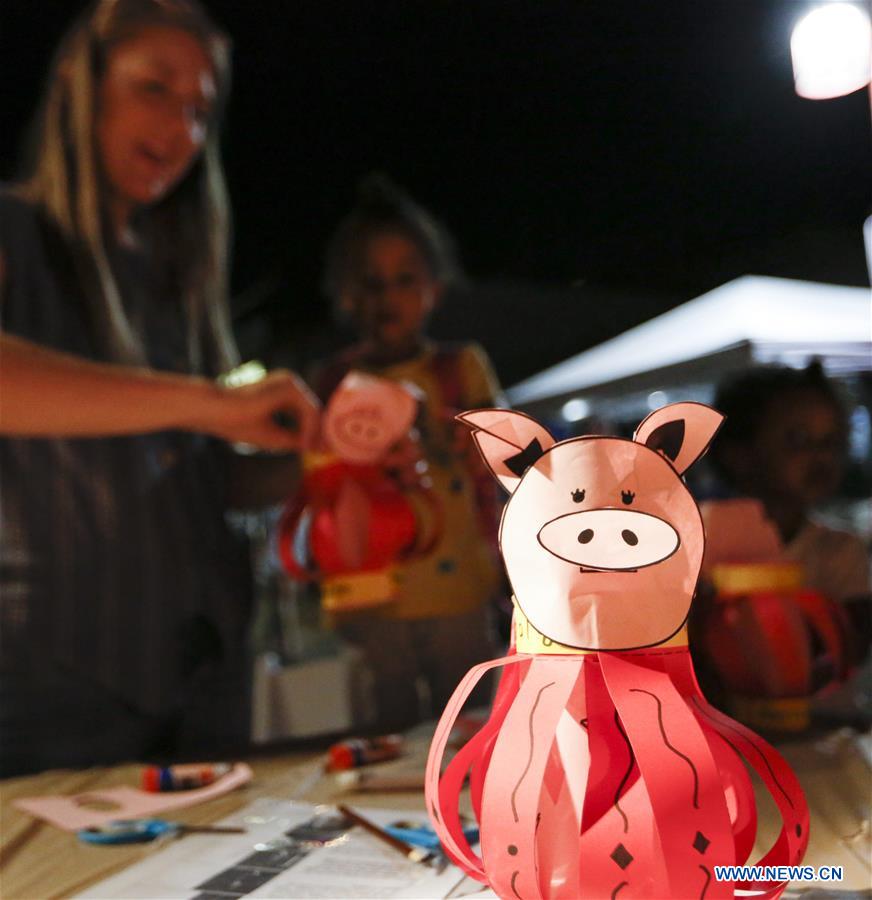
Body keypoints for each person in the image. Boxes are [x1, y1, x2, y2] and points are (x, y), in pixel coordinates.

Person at [0, 0, 319, 776]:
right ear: (83, 84)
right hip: (58, 676)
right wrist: (212, 402)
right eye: (155, 88)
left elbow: (199, 482)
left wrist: (319, 460)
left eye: (201, 110)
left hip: (208, 669)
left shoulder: (179, 283)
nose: (182, 130)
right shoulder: (16, 232)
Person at [310, 175, 504, 732]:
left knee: (474, 732)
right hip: (373, 600)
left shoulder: (459, 368)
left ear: (433, 290)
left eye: (403, 280)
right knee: (386, 740)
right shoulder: (333, 381)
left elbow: (502, 451)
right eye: (371, 283)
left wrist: (437, 423)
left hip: (460, 592)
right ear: (347, 294)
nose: (386, 297)